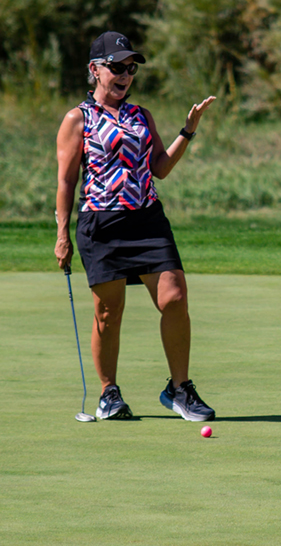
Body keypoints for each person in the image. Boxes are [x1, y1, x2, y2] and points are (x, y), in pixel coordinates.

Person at [54, 31, 216, 422]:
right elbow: (65, 181)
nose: (125, 74)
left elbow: (159, 167)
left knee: (174, 297)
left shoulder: (141, 115)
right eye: (116, 67)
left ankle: (179, 389)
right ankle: (109, 392)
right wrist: (62, 235)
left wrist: (188, 130)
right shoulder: (78, 119)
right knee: (108, 312)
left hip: (146, 219)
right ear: (95, 70)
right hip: (101, 223)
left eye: (130, 68)